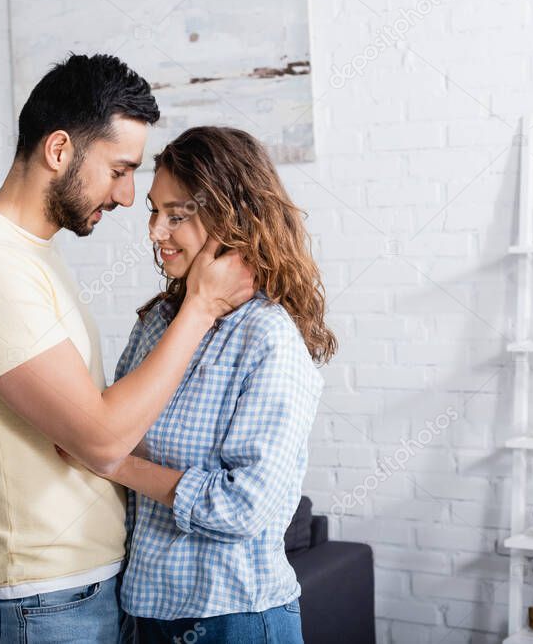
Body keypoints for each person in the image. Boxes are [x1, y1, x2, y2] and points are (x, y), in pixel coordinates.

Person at [0, 55, 255, 643]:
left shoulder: (30, 256)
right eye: (120, 170)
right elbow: (98, 439)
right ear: (60, 150)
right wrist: (199, 308)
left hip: (81, 591)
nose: (127, 197)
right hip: (41, 603)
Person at [60, 126, 336, 644]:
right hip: (144, 611)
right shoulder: (159, 324)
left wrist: (113, 462)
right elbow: (113, 425)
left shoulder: (268, 336)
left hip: (236, 619)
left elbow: (243, 506)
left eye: (177, 215)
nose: (155, 232)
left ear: (232, 217)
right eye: (153, 211)